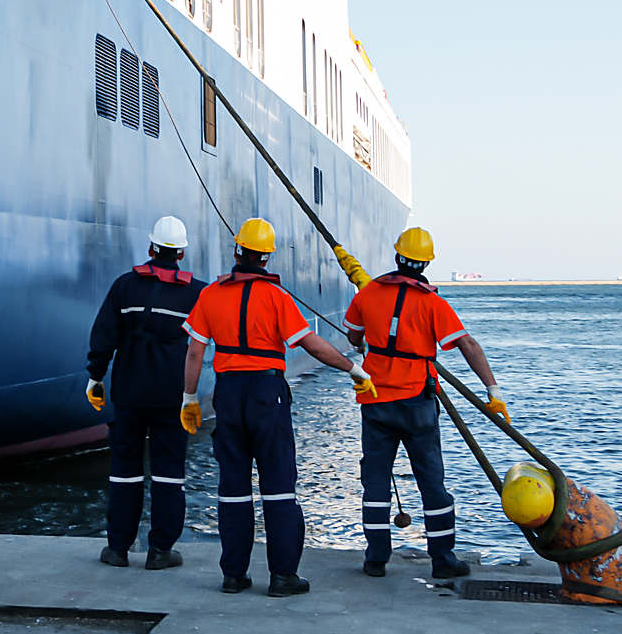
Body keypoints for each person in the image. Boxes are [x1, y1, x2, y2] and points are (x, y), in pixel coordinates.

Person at [181, 217, 373, 596]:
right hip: (268, 393)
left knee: (232, 488)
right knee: (279, 487)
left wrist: (189, 399)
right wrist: (353, 368)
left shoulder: (211, 295)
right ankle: (283, 575)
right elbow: (311, 345)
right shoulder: (278, 299)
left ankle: (233, 575)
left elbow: (194, 352)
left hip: (228, 394)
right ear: (267, 258)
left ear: (237, 251)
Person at [338, 226, 506, 579]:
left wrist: (368, 342)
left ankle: (375, 557)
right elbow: (468, 345)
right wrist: (492, 389)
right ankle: (443, 560)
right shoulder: (433, 303)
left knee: (376, 481)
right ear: (426, 261)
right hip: (417, 404)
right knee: (432, 482)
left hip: (377, 402)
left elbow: (354, 335)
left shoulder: (368, 294)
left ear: (397, 255)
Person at [85, 214, 207, 570]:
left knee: (124, 470)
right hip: (172, 395)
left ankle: (118, 549)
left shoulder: (124, 286)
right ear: (181, 254)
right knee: (170, 473)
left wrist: (95, 377)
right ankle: (160, 551)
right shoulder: (197, 293)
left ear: (151, 248)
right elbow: (203, 344)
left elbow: (103, 334)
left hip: (129, 392)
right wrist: (191, 397)